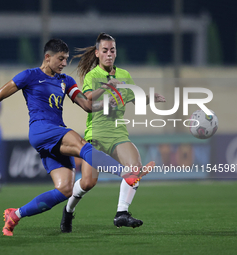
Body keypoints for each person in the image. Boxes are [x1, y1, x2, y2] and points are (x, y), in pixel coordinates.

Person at [0, 39, 152, 237]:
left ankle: (15, 215)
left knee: (65, 188)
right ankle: (125, 173)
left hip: (55, 134)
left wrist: (106, 103)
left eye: (66, 59)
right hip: (42, 130)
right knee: (81, 144)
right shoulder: (30, 75)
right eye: (60, 59)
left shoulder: (65, 81)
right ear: (47, 57)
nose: (64, 63)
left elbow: (86, 106)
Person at [60, 33, 165, 232]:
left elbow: (134, 98)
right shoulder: (92, 76)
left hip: (118, 135)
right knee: (88, 182)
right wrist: (108, 85)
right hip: (96, 136)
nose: (109, 54)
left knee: (134, 168)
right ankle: (68, 210)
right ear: (98, 53)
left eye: (112, 50)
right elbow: (88, 99)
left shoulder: (124, 75)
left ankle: (121, 213)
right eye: (105, 50)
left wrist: (152, 97)